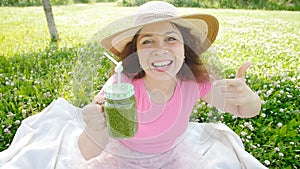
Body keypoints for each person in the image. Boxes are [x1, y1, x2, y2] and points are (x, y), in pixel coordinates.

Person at [76, 1, 267, 169]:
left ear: (185, 48)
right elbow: (88, 152)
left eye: (171, 39)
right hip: (124, 159)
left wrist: (248, 98)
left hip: (172, 157)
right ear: (137, 52)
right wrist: (95, 129)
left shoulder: (193, 82)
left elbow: (245, 110)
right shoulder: (121, 87)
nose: (160, 50)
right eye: (148, 41)